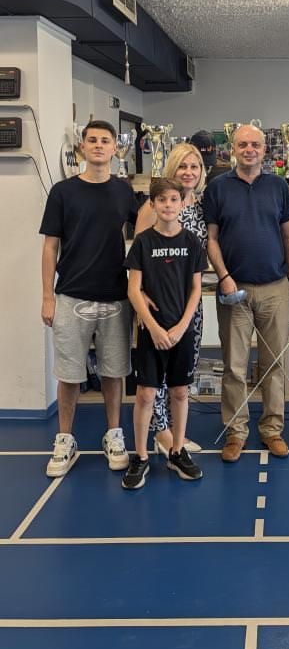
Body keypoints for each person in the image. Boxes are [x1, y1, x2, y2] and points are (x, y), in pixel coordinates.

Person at [40, 120, 139, 477]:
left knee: (114, 371)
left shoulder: (124, 192)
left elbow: (147, 230)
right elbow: (50, 247)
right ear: (82, 147)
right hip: (70, 295)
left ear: (115, 148)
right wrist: (47, 296)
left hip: (115, 296)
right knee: (69, 374)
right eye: (92, 140)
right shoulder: (63, 192)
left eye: (105, 140)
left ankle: (114, 435)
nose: (98, 145)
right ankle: (65, 439)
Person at [203, 123, 289, 462]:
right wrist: (224, 277)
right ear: (232, 149)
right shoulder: (217, 188)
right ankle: (236, 432)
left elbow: (287, 235)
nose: (249, 150)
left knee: (275, 364)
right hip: (233, 289)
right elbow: (211, 239)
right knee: (234, 366)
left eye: (255, 144)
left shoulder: (278, 187)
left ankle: (272, 429)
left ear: (264, 149)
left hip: (274, 288)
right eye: (242, 144)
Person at [122, 177, 204, 489]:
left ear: (182, 203)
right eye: (162, 200)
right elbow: (134, 289)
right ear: (153, 204)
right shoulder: (143, 242)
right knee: (146, 394)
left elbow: (196, 289)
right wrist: (154, 328)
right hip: (151, 332)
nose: (168, 205)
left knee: (180, 392)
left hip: (181, 330)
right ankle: (141, 456)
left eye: (173, 199)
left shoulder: (192, 242)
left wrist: (182, 327)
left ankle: (177, 451)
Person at [135, 142, 208, 456]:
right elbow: (138, 253)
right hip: (156, 304)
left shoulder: (201, 206)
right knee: (155, 376)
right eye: (183, 166)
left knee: (180, 373)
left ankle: (176, 435)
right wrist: (141, 298)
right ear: (172, 169)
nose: (188, 172)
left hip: (189, 304)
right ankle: (161, 432)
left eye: (194, 166)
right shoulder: (152, 207)